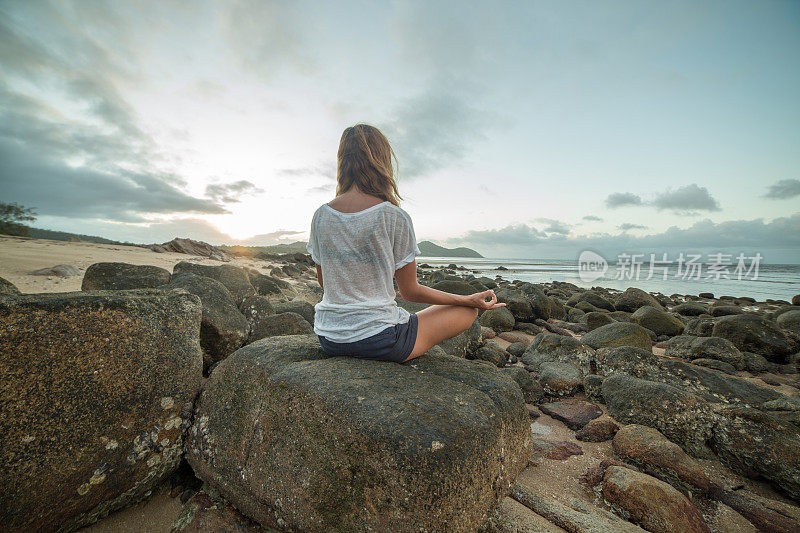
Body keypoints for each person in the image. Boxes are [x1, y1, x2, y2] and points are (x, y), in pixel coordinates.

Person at [306, 123, 506, 363]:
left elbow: (325, 282)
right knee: (467, 312)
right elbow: (410, 291)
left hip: (330, 338)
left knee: (406, 317)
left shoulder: (321, 215)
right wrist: (466, 299)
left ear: (342, 161)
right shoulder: (393, 216)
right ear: (382, 161)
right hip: (380, 340)